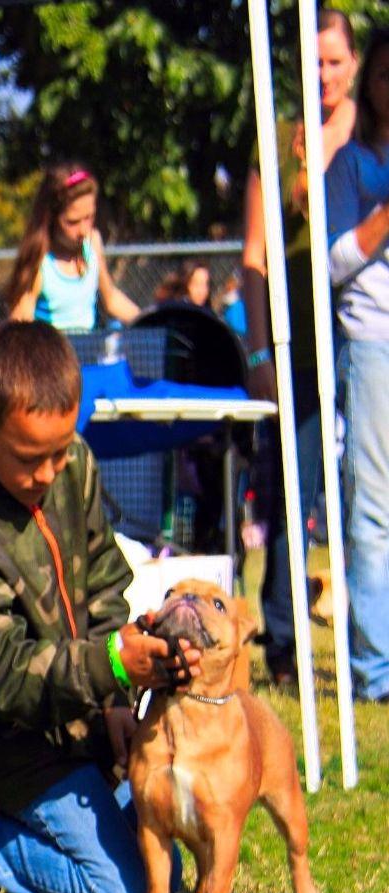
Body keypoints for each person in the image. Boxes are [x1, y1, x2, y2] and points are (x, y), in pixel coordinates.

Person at [0, 322, 190, 893]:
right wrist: (109, 667)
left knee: (166, 870)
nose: (51, 472)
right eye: (31, 458)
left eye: (62, 450)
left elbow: (103, 577)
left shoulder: (68, 460)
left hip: (82, 720)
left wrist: (116, 699)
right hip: (4, 741)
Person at [242, 7, 359, 685]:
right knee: (296, 490)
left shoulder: (374, 135)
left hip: (366, 335)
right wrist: (261, 354)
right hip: (300, 347)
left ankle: (368, 637)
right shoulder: (277, 137)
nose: (323, 74)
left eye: (335, 61)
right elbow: (254, 259)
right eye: (312, 62)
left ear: (357, 65)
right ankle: (283, 641)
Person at [328, 26, 389, 702]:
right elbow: (334, 263)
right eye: (385, 74)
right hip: (372, 343)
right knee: (373, 511)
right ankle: (376, 672)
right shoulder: (351, 165)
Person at [5, 163, 140, 332]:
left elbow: (111, 300)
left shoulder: (93, 242)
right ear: (50, 218)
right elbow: (19, 331)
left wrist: (149, 321)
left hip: (88, 348)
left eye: (89, 217)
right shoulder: (40, 262)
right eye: (73, 222)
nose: (83, 230)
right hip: (53, 349)